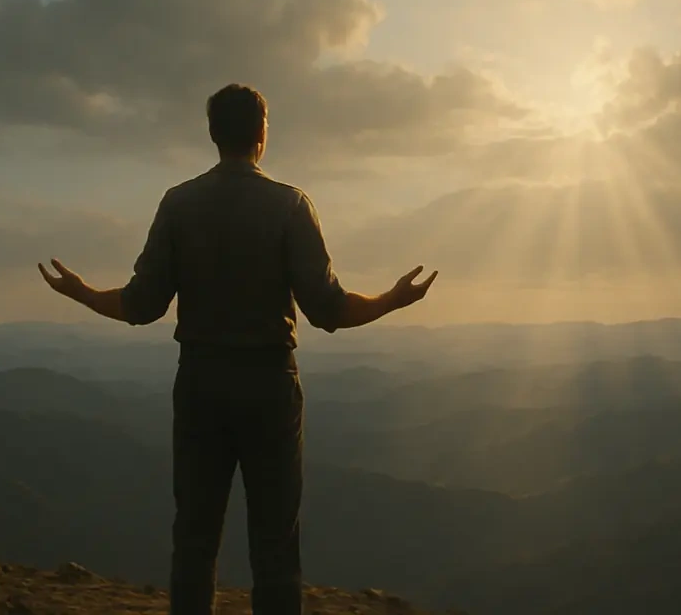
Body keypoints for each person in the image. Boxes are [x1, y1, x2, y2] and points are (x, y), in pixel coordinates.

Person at [38, 83, 439, 615]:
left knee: (195, 538)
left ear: (212, 134)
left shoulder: (179, 203)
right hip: (270, 386)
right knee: (275, 543)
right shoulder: (290, 206)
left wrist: (82, 292)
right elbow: (328, 310)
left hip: (200, 382)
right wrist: (391, 299)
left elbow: (141, 305)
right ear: (261, 134)